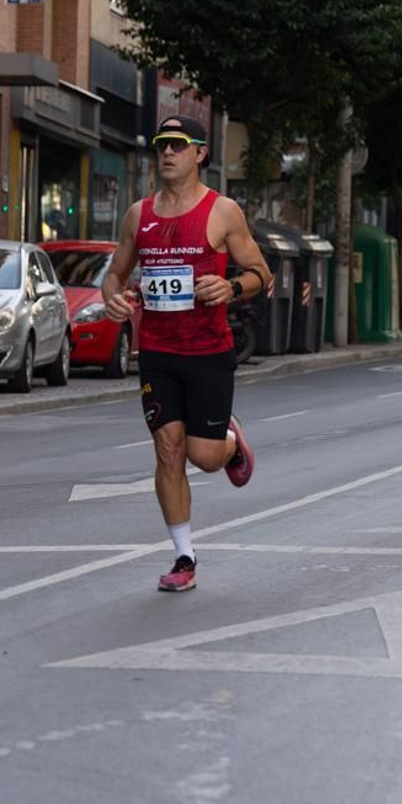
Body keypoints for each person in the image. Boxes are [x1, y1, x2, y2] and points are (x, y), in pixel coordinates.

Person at [102, 116, 272, 593]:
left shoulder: (223, 212)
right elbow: (114, 274)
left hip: (209, 351)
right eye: (162, 144)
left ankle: (231, 443)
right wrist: (112, 298)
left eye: (178, 144)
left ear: (200, 153)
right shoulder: (138, 215)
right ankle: (184, 556)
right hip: (157, 352)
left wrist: (231, 286)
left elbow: (261, 273)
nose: (168, 152)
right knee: (168, 449)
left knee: (205, 456)